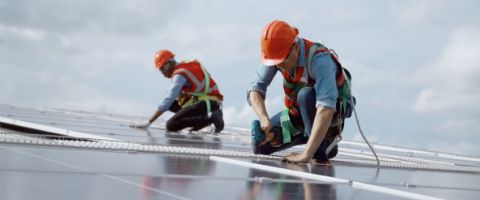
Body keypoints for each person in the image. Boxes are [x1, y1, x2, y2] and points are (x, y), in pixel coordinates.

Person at [247, 20, 354, 164]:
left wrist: (305, 155)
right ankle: (322, 143)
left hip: (332, 113)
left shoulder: (319, 60)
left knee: (305, 96)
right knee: (261, 147)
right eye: (274, 62)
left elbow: (326, 108)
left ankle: (320, 151)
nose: (279, 66)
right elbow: (255, 89)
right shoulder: (278, 58)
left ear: (296, 47)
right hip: (301, 113)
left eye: (282, 60)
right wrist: (264, 118)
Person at [131, 50, 224, 133]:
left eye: (164, 69)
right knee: (172, 104)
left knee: (171, 125)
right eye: (161, 70)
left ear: (170, 63)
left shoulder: (179, 74)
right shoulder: (184, 67)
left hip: (208, 103)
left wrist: (149, 121)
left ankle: (210, 118)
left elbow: (168, 98)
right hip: (208, 101)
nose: (163, 73)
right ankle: (201, 119)